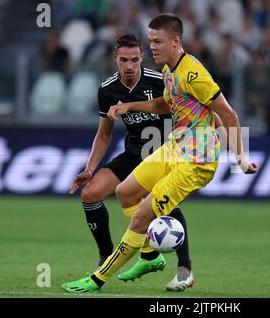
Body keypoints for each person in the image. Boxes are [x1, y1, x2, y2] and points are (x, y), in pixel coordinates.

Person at [62, 13, 258, 293]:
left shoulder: (193, 73)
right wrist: (130, 107)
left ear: (175, 41)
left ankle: (98, 279)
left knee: (142, 215)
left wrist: (240, 156)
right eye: (151, 41)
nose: (151, 47)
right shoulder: (169, 70)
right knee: (125, 192)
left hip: (196, 160)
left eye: (157, 41)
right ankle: (151, 256)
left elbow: (227, 113)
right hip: (174, 147)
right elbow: (164, 105)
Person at [68, 34, 194, 291]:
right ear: (115, 58)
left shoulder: (160, 81)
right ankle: (113, 255)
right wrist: (90, 168)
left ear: (142, 58)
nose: (129, 65)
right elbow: (103, 134)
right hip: (134, 153)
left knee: (164, 203)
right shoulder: (108, 90)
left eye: (134, 59)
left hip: (164, 153)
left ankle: (184, 268)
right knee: (90, 194)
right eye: (123, 59)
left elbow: (176, 108)